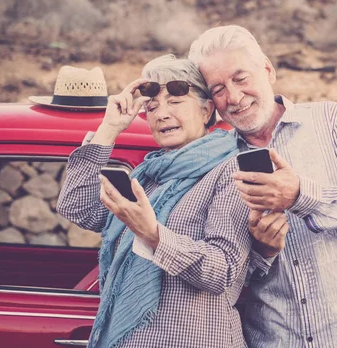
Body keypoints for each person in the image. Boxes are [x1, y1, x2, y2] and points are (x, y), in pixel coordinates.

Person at [188, 26, 337, 348]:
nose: (233, 97)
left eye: (241, 78)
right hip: (278, 339)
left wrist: (300, 195)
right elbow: (229, 277)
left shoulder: (330, 120)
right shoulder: (217, 161)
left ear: (268, 70)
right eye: (218, 89)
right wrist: (263, 251)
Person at [56, 54, 251, 348]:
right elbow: (77, 206)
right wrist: (110, 128)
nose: (161, 114)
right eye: (152, 106)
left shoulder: (230, 170)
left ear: (206, 109)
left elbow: (222, 270)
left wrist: (153, 235)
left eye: (175, 102)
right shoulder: (148, 175)